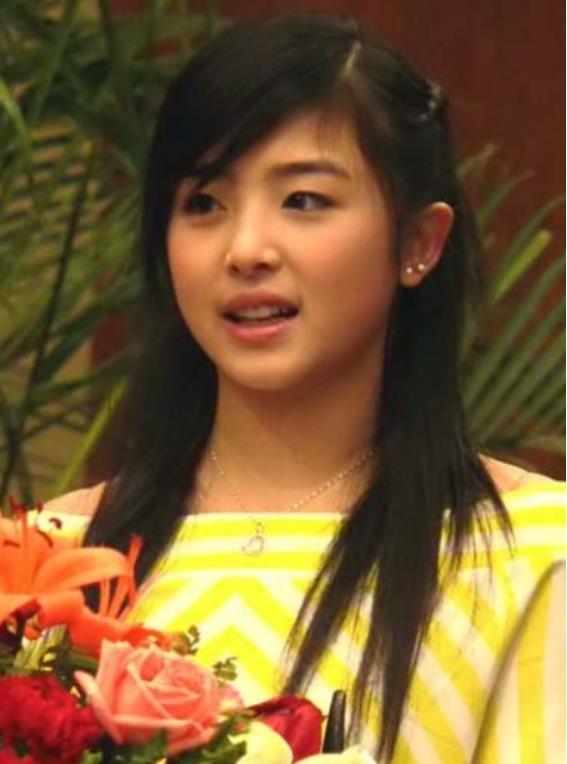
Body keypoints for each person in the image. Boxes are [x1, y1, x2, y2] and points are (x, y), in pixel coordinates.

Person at [44, 12, 565, 763]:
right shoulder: (58, 555)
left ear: (418, 242)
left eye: (303, 200)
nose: (245, 249)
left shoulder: (533, 553)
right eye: (203, 204)